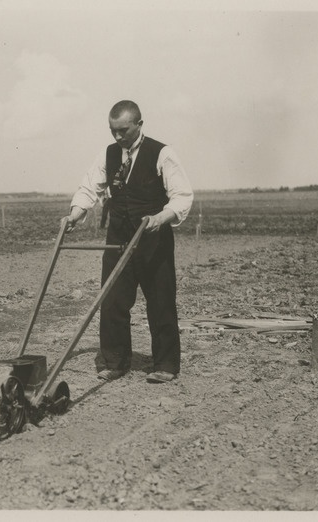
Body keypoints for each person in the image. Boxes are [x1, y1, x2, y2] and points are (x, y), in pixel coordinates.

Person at [66, 100, 193, 384]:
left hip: (153, 240)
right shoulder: (109, 154)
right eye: (113, 131)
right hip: (119, 238)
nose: (118, 137)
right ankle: (115, 361)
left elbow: (183, 196)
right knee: (112, 301)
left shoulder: (162, 153)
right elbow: (90, 187)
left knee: (160, 301)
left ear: (139, 125)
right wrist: (75, 214)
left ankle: (166, 365)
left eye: (123, 130)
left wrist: (161, 218)